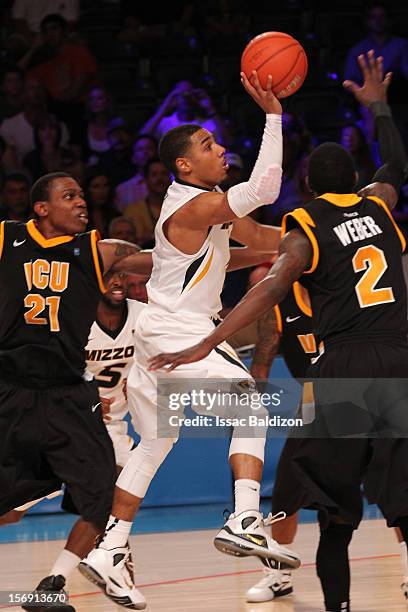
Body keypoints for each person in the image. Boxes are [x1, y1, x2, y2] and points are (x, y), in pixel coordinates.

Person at [148, 52, 408, 612]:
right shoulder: (381, 210)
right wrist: (380, 109)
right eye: (210, 147)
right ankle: (262, 542)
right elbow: (393, 171)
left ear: (308, 187)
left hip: (341, 372)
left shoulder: (304, 231)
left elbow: (267, 277)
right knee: (395, 482)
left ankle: (269, 551)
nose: (220, 151)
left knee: (308, 493)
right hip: (395, 361)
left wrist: (210, 341)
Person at [79, 69, 301, 608]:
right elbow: (267, 189)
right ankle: (246, 516)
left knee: (155, 444)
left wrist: (310, 236)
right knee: (250, 405)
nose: (221, 148)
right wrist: (274, 115)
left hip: (157, 334)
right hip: (176, 331)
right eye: (209, 145)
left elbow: (256, 241)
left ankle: (110, 548)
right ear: (184, 165)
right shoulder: (194, 205)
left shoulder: (210, 207)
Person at [0, 171, 153, 611]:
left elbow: (169, 260)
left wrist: (233, 254)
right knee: (9, 505)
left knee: (105, 493)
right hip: (11, 389)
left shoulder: (97, 250)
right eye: (69, 197)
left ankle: (51, 586)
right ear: (41, 208)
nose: (82, 202)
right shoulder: (7, 238)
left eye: (83, 195)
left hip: (68, 392)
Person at [0, 76, 70, 165]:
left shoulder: (58, 126)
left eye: (40, 88)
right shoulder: (8, 126)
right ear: (23, 94)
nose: (36, 92)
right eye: (31, 88)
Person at [140, 80, 231, 146]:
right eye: (181, 94)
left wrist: (210, 108)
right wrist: (164, 107)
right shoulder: (165, 123)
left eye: (189, 94)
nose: (185, 97)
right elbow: (142, 138)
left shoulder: (206, 124)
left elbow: (228, 142)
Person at [124, 158, 171, 247]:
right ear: (146, 179)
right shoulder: (133, 210)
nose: (159, 178)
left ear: (170, 178)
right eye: (154, 175)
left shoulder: (180, 208)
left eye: (163, 174)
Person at [115, 135, 158, 212]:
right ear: (133, 157)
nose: (145, 152)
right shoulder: (123, 189)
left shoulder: (171, 183)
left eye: (149, 148)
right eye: (140, 149)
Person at [84, 169, 118, 237]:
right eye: (96, 187)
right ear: (87, 189)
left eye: (105, 186)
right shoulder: (80, 217)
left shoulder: (115, 216)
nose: (102, 191)